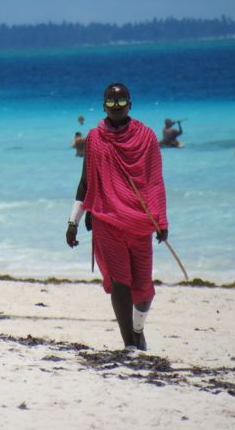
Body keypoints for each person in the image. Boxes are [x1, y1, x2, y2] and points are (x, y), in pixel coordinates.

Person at [66, 83, 168, 351]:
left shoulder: (146, 137)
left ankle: (138, 329)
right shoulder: (95, 138)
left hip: (139, 222)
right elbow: (85, 182)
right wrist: (73, 222)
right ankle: (129, 344)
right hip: (107, 221)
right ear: (103, 106)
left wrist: (161, 220)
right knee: (120, 282)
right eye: (111, 102)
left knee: (143, 289)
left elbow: (155, 181)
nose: (116, 106)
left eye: (121, 101)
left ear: (130, 103)